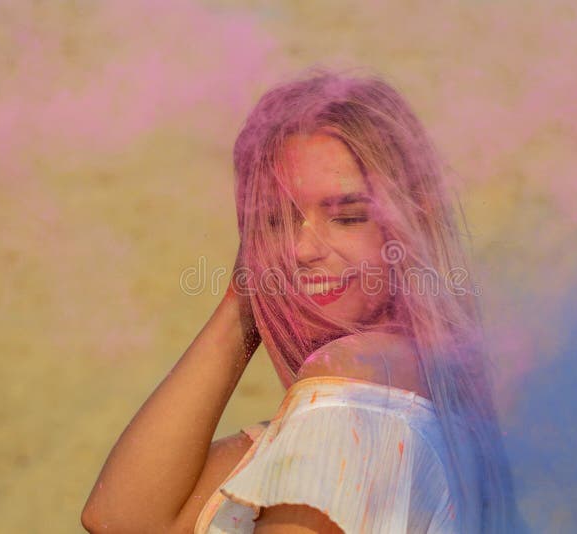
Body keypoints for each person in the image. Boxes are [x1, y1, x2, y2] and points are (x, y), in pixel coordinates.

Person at [82, 69, 523, 533]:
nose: (301, 249)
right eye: (275, 221)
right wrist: (245, 299)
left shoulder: (355, 379)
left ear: (413, 223)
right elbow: (120, 518)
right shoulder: (416, 396)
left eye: (348, 217)